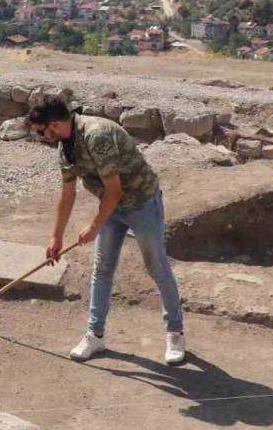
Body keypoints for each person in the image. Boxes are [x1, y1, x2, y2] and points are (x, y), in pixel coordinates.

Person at [28, 98, 186, 365]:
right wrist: (56, 236)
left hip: (141, 203)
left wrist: (94, 226)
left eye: (41, 131)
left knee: (156, 267)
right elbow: (68, 193)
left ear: (54, 124)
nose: (41, 137)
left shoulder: (96, 134)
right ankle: (95, 334)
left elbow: (115, 190)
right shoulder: (65, 145)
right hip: (111, 206)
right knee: (102, 270)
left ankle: (175, 332)